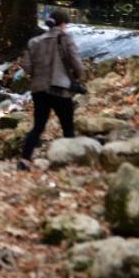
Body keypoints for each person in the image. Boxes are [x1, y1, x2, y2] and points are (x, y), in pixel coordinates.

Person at [18, 9, 84, 169]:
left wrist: (38, 75)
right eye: (66, 25)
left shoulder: (34, 42)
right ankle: (70, 162)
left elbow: (26, 67)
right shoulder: (65, 38)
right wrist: (77, 76)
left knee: (38, 127)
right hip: (60, 89)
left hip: (39, 90)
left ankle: (23, 161)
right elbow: (76, 63)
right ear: (62, 24)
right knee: (67, 126)